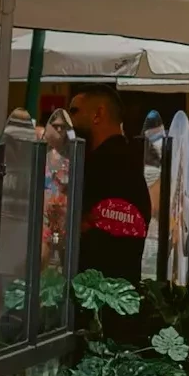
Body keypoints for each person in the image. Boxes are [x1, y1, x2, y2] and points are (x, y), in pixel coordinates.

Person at [68, 86, 151, 283]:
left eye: (74, 112)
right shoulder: (130, 159)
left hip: (92, 292)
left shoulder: (101, 165)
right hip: (120, 291)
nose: (69, 121)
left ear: (98, 114)